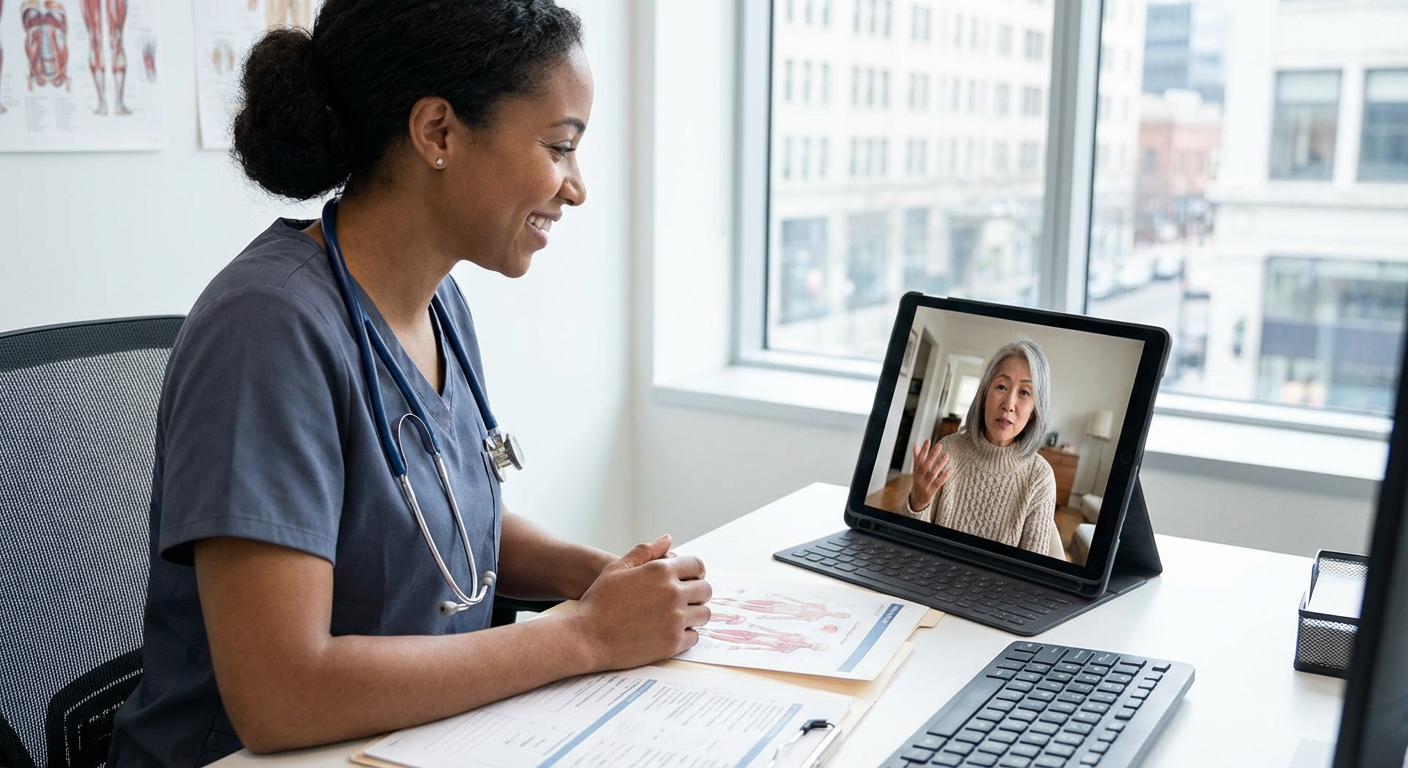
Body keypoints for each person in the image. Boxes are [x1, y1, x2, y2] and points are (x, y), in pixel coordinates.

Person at [107, 2, 711, 764]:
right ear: (438, 133)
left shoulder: (439, 305)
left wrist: (593, 575)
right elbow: (279, 694)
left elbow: (444, 520)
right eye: (559, 147)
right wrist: (586, 635)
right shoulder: (266, 329)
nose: (576, 187)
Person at [897, 339, 1059, 556]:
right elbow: (905, 546)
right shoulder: (947, 452)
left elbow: (1031, 576)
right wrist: (917, 502)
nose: (1008, 404)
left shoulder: (1040, 477)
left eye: (1024, 392)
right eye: (1001, 387)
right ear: (984, 396)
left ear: (1035, 410)